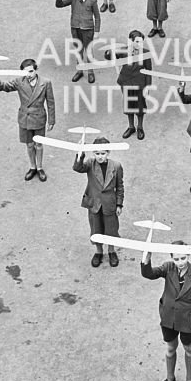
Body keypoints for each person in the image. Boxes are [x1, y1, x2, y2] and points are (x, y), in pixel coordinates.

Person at [141, 240, 191, 381]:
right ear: (171, 258)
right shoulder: (168, 268)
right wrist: (146, 259)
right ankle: (170, 379)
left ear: (188, 255)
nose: (180, 263)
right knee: (170, 348)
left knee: (188, 349)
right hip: (169, 317)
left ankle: (190, 380)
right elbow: (149, 274)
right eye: (176, 259)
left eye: (183, 258)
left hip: (187, 319)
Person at [0, 58, 55, 181]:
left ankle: (39, 168)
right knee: (29, 145)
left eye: (30, 71)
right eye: (25, 72)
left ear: (36, 70)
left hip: (39, 118)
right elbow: (5, 87)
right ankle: (32, 167)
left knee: (39, 145)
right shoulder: (19, 82)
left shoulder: (46, 83)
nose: (28, 75)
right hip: (25, 118)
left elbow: (50, 102)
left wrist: (51, 120)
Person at [73, 136, 124, 268]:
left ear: (108, 153)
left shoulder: (116, 166)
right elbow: (77, 168)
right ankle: (99, 252)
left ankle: (111, 251)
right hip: (94, 204)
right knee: (96, 229)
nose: (100, 157)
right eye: (97, 153)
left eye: (103, 153)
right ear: (93, 153)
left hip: (109, 204)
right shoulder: (90, 163)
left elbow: (119, 186)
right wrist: (80, 152)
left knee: (111, 229)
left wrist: (119, 204)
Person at [108, 29, 152, 140]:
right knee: (129, 106)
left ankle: (140, 127)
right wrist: (116, 68)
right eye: (137, 42)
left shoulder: (146, 53)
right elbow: (110, 55)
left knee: (140, 106)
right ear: (130, 41)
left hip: (140, 84)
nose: (139, 44)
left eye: (141, 42)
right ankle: (131, 126)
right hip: (126, 83)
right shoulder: (123, 51)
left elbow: (149, 71)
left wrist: (147, 87)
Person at [55, 0, 101, 83]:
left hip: (88, 29)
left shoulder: (92, 0)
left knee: (88, 50)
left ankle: (90, 72)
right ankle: (80, 71)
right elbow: (59, 5)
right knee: (78, 50)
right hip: (75, 29)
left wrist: (97, 32)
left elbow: (97, 17)